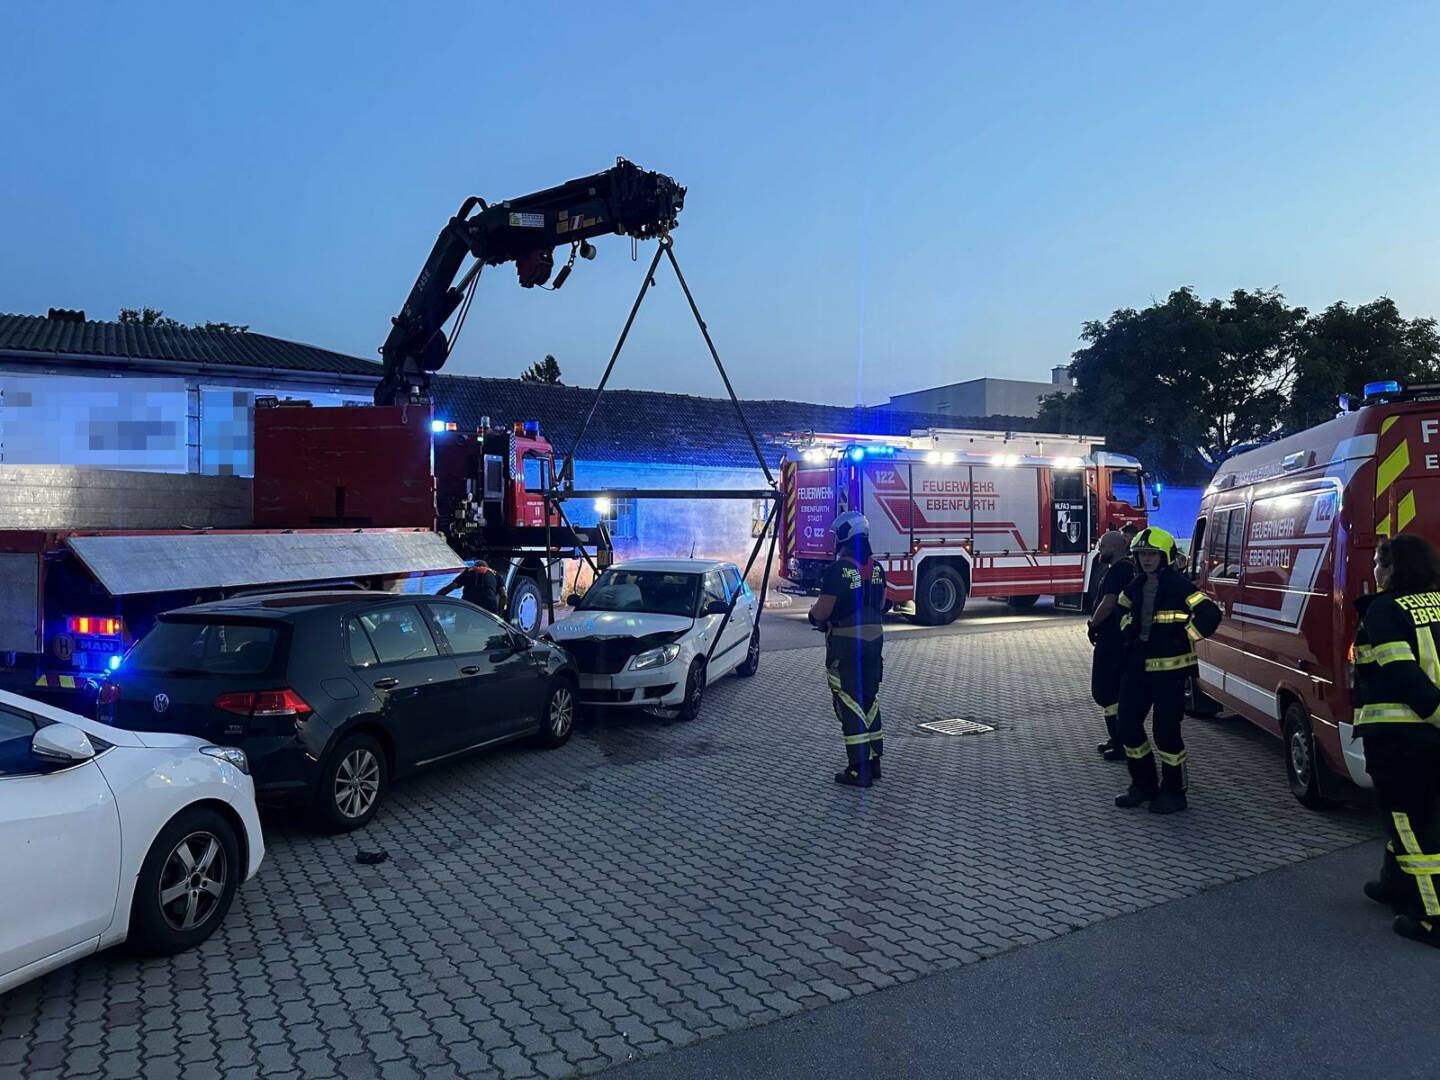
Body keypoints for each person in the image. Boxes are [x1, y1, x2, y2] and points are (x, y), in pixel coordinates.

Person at [1350, 534, 1440, 949]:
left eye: (1378, 563)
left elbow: (1401, 671)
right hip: (1427, 735)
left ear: (1392, 569)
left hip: (1401, 736)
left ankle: (1431, 917)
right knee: (1421, 816)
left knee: (1408, 823)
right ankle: (1394, 883)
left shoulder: (1385, 609)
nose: (1374, 570)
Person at [1113, 527, 1222, 813]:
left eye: (1152, 554)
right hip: (1136, 670)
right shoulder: (1134, 587)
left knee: (1166, 734)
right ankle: (1143, 785)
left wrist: (1186, 635)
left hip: (1170, 674)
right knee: (1127, 727)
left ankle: (1175, 792)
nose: (1146, 559)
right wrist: (1128, 632)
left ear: (1165, 557)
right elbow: (1120, 612)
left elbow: (1211, 613)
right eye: (1141, 554)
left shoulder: (1180, 586)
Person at [808, 512, 887, 787]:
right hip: (875, 641)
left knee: (848, 701)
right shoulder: (877, 568)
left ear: (843, 535)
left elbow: (822, 610)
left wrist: (814, 618)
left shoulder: (838, 570)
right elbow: (881, 603)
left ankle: (858, 769)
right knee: (869, 698)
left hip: (845, 644)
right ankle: (874, 762)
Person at [1087, 530, 1135, 762]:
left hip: (1113, 640)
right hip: (1116, 639)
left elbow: (1108, 604)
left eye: (1102, 546)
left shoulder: (1119, 570)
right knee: (1109, 693)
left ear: (1114, 548)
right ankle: (1116, 739)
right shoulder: (1123, 568)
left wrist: (1092, 625)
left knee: (1107, 691)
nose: (1099, 550)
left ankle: (1121, 744)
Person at [438, 559, 507, 617]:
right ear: (487, 567)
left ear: (475, 566)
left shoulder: (469, 571)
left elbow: (452, 586)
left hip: (469, 605)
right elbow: (504, 595)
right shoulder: (496, 574)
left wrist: (437, 596)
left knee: (461, 628)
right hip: (489, 607)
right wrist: (499, 614)